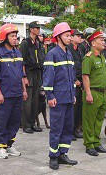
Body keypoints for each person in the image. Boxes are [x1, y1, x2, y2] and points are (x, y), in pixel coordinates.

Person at [43, 22, 78, 170]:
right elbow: (48, 77)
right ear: (58, 37)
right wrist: (50, 96)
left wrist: (74, 94)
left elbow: (72, 76)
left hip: (69, 97)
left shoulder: (68, 53)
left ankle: (63, 153)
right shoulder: (52, 54)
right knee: (56, 128)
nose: (69, 38)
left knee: (68, 128)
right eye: (67, 35)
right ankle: (53, 156)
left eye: (70, 35)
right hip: (58, 98)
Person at [0, 24, 28, 159]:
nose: (15, 39)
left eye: (15, 36)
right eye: (12, 36)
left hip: (17, 93)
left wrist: (24, 90)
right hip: (5, 94)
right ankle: (0, 146)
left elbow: (21, 73)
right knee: (2, 120)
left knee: (15, 121)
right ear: (4, 38)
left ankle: (9, 144)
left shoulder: (17, 53)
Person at [81, 30, 106, 155]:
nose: (104, 42)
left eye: (104, 40)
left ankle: (97, 142)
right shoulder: (89, 57)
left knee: (99, 120)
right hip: (93, 92)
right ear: (93, 43)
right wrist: (88, 93)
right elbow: (85, 76)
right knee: (90, 120)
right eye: (101, 40)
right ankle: (89, 145)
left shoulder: (102, 57)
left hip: (103, 93)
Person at [20, 21, 45, 134]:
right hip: (29, 72)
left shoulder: (38, 43)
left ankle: (32, 122)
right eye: (36, 28)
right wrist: (24, 76)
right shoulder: (25, 43)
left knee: (35, 100)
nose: (38, 30)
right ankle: (26, 124)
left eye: (39, 28)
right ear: (31, 29)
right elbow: (22, 62)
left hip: (37, 72)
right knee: (28, 101)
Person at [67, 29, 84, 139]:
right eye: (77, 36)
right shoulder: (68, 50)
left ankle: (76, 129)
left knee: (79, 108)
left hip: (80, 81)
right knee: (72, 108)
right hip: (72, 82)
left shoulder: (79, 49)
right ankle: (69, 131)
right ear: (71, 38)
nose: (80, 37)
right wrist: (74, 80)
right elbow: (68, 67)